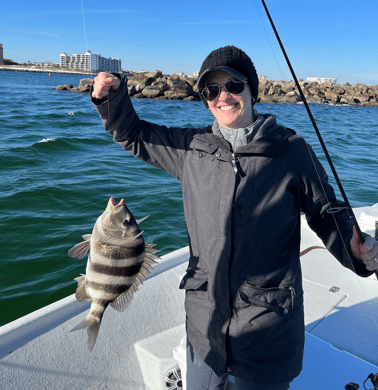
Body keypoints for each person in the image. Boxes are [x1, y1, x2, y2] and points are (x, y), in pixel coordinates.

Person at [90, 46, 378, 390]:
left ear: (252, 91)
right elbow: (133, 134)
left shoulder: (290, 150)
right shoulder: (190, 148)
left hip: (267, 330)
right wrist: (112, 99)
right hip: (204, 324)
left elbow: (327, 212)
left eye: (233, 86)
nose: (222, 97)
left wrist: (355, 250)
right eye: (211, 90)